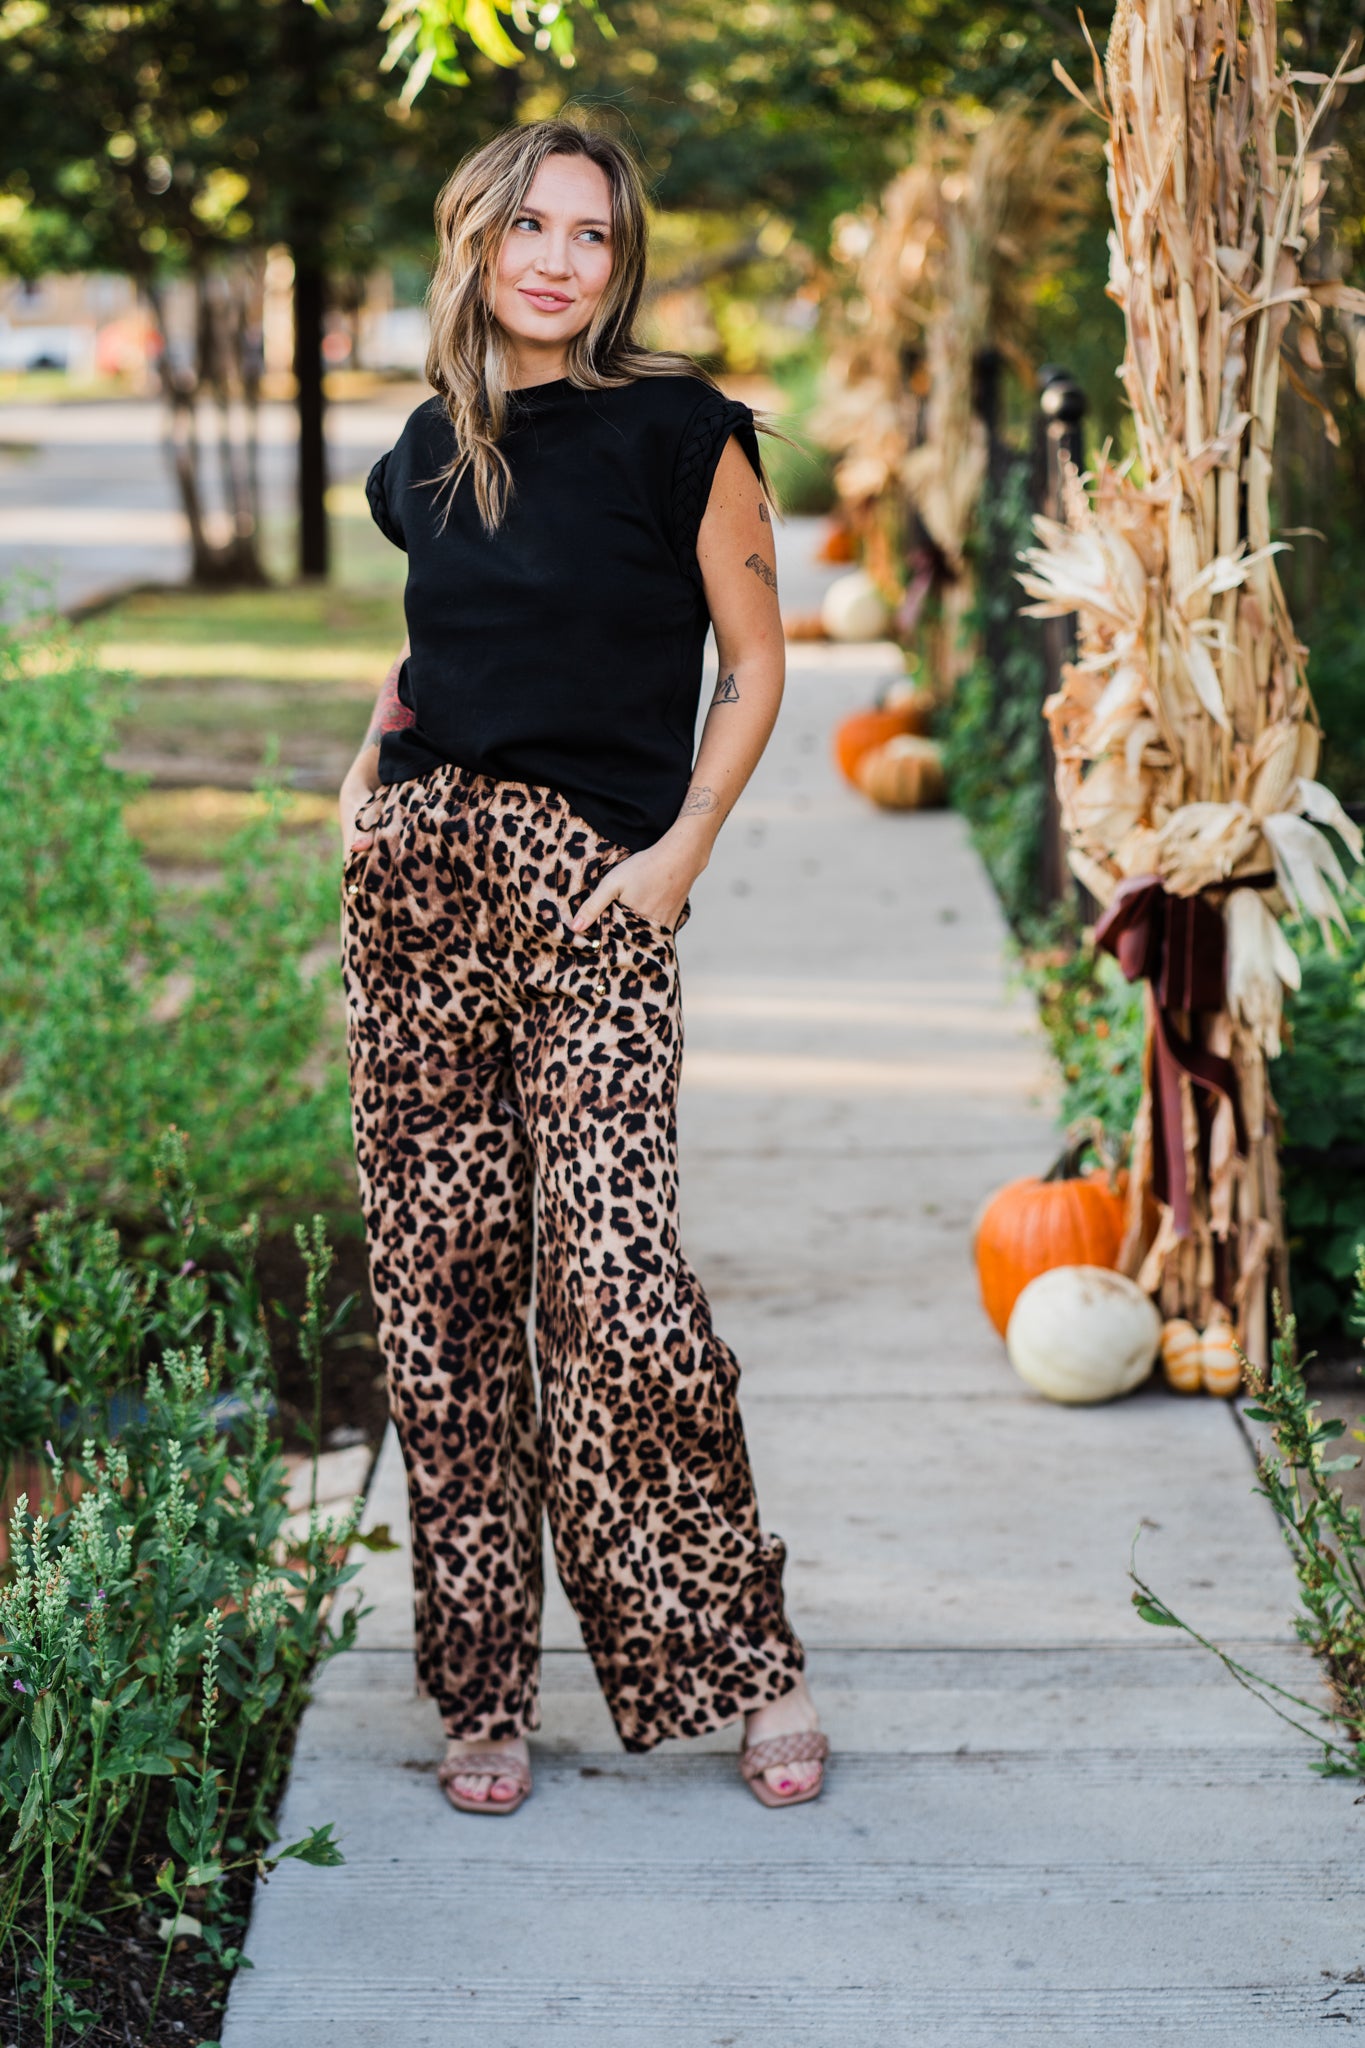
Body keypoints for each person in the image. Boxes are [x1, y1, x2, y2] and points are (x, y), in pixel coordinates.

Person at [338, 116, 826, 1816]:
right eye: (530, 226)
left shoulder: (679, 430)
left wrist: (675, 859)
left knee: (622, 1299)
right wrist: (359, 791)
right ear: (475, 239)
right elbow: (439, 649)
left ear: (624, 262)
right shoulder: (423, 449)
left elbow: (754, 673)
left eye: (593, 236)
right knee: (441, 1301)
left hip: (597, 891)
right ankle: (480, 1693)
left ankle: (743, 1657)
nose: (558, 258)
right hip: (417, 888)